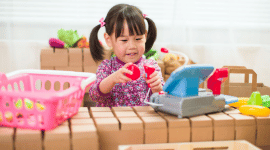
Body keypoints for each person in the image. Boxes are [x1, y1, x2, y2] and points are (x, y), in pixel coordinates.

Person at [88, 4, 164, 107]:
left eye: (138, 39)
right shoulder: (107, 67)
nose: (132, 46)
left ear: (145, 36)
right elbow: (95, 95)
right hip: (113, 121)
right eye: (124, 40)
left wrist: (157, 88)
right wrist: (112, 79)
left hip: (141, 121)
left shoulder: (151, 66)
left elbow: (162, 100)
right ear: (109, 40)